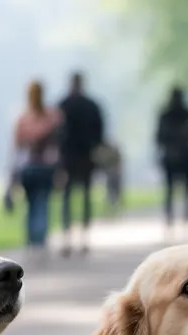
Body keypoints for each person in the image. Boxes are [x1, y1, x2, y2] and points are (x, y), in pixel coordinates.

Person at [56, 71, 105, 253]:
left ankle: (67, 236)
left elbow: (57, 133)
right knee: (85, 197)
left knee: (67, 198)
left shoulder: (63, 104)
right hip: (87, 157)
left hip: (68, 157)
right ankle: (84, 237)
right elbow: (100, 133)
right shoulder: (92, 105)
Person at [11, 79, 61, 250]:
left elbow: (17, 149)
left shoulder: (23, 119)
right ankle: (40, 239)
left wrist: (13, 174)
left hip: (28, 168)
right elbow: (58, 145)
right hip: (46, 167)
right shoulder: (53, 117)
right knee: (42, 203)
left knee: (31, 204)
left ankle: (32, 239)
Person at [155, 86, 188, 228]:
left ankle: (170, 215)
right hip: (185, 155)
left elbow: (159, 137)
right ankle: (185, 215)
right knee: (186, 188)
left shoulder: (165, 115)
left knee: (170, 188)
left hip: (171, 155)